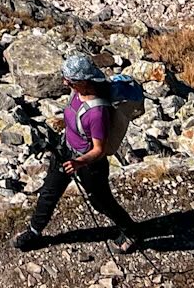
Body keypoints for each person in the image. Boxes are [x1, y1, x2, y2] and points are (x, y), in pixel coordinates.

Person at [15, 52, 140, 252]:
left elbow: (99, 149)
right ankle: (34, 232)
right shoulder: (77, 92)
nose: (65, 83)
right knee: (49, 192)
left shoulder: (97, 112)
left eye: (70, 80)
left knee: (101, 202)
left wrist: (79, 162)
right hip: (66, 150)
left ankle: (130, 231)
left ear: (84, 82)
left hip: (89, 164)